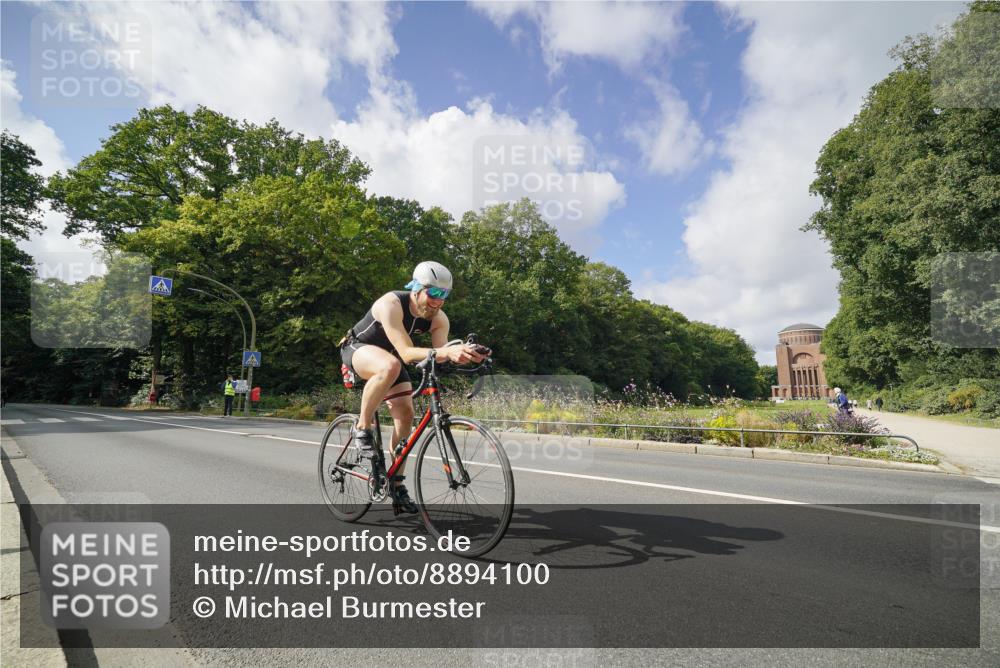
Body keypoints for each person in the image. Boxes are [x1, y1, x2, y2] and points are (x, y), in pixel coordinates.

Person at [339, 261, 487, 513]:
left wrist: (466, 355)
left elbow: (438, 356)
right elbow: (407, 353)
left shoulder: (439, 319)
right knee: (390, 365)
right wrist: (446, 352)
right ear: (417, 289)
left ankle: (396, 484)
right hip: (357, 348)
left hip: (391, 360)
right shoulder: (391, 304)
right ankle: (362, 427)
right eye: (434, 292)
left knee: (406, 413)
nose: (438, 301)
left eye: (445, 295)